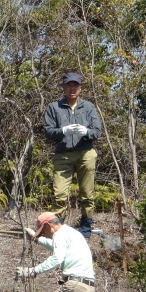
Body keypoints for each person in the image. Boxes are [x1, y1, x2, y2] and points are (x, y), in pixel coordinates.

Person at [43, 72, 102, 238]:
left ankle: (85, 229)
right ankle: (57, 230)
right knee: (59, 194)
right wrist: (62, 131)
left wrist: (87, 132)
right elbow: (48, 131)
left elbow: (97, 131)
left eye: (75, 85)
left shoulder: (89, 107)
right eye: (68, 85)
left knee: (87, 193)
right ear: (63, 87)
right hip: (63, 155)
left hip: (86, 153)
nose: (72, 88)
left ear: (80, 88)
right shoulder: (54, 107)